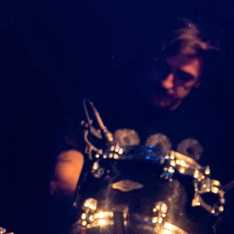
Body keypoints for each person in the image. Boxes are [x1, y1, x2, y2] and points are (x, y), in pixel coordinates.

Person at [50, 19, 224, 200]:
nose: (166, 83)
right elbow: (65, 173)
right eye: (162, 67)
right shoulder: (103, 105)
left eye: (184, 77)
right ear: (151, 58)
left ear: (198, 82)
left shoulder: (211, 129)